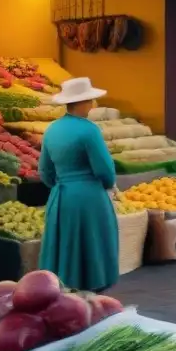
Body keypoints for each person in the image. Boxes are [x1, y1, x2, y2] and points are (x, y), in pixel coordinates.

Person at [39, 78, 119, 292]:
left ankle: (61, 286)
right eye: (91, 100)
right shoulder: (89, 130)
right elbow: (105, 169)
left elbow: (45, 170)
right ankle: (92, 287)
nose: (93, 104)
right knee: (92, 242)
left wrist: (57, 185)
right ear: (83, 102)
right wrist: (109, 185)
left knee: (64, 243)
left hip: (61, 195)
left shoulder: (52, 129)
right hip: (88, 196)